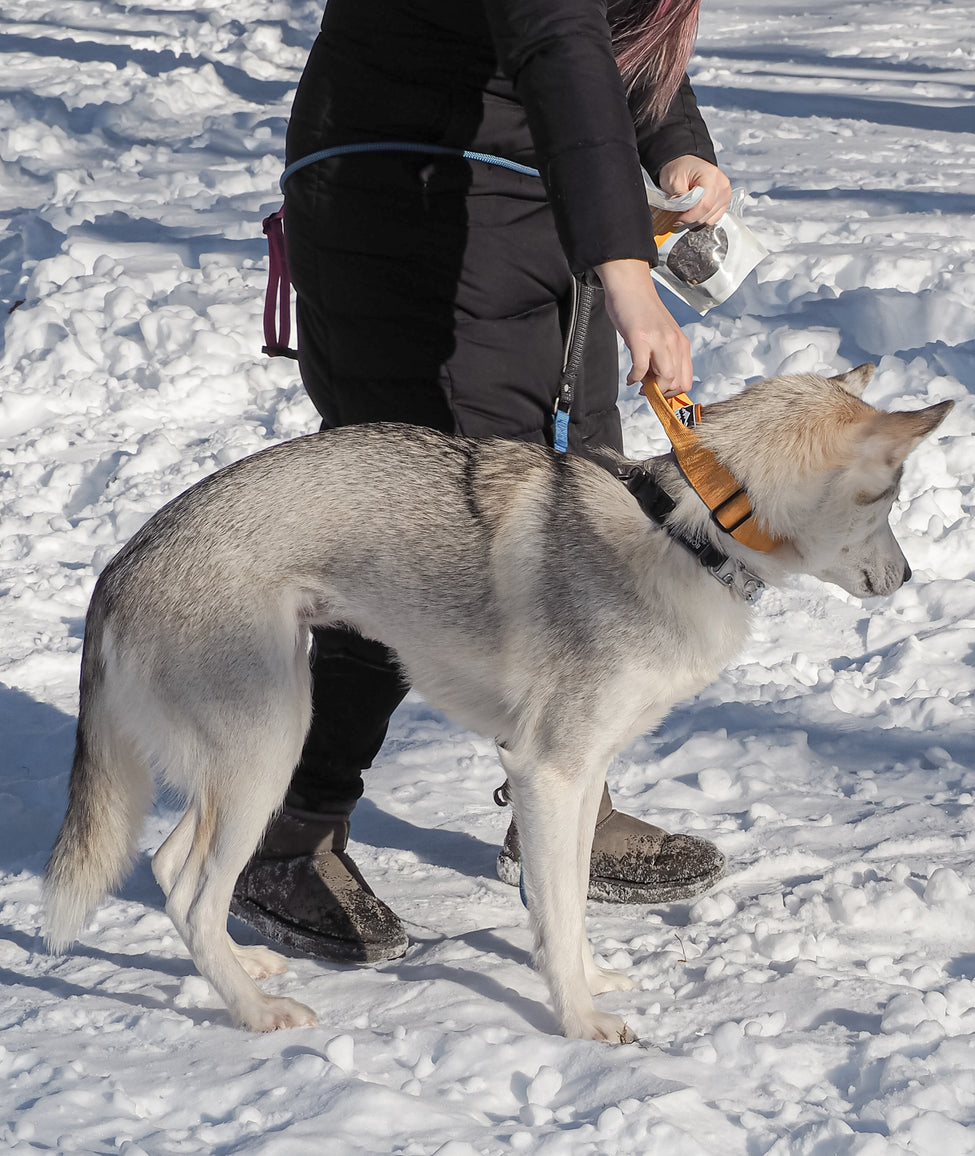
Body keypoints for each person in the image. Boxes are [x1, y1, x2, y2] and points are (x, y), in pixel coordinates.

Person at [231, 0, 731, 964]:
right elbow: (558, 41)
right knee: (420, 525)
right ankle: (290, 827)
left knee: (585, 491)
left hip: (525, 205)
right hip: (403, 217)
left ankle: (565, 795)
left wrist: (674, 141)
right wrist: (628, 274)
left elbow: (603, 35)